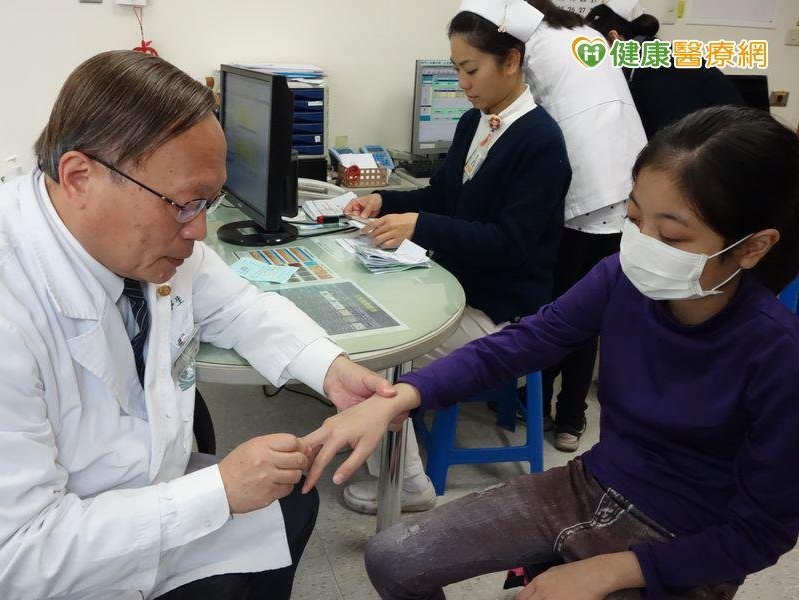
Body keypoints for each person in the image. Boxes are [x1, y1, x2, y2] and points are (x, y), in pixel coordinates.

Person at [302, 106, 799, 599]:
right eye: (633, 219)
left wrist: (616, 569)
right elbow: (524, 342)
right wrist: (401, 396)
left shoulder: (777, 353)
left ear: (752, 247)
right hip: (593, 485)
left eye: (670, 235)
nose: (642, 245)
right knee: (392, 558)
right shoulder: (619, 279)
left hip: (690, 543)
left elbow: (759, 534)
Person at [0, 50, 397, 600]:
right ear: (79, 177)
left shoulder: (137, 240)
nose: (199, 231)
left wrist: (330, 368)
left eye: (209, 202)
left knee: (292, 500)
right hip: (68, 560)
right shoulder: (12, 307)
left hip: (143, 491)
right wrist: (218, 492)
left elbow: (238, 306)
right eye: (185, 204)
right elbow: (19, 556)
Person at [340, 0, 571, 514]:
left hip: (502, 312)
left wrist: (420, 225)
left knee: (372, 360)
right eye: (457, 70)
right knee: (362, 326)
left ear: (511, 61)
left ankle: (408, 485)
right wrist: (384, 200)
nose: (463, 83)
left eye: (471, 69)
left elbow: (510, 243)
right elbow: (442, 195)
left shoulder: (541, 141)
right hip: (454, 287)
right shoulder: (475, 122)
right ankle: (391, 450)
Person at [520, 0, 648, 452]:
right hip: (627, 183)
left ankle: (538, 405)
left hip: (586, 188)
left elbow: (521, 117)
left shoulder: (530, 46)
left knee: (561, 310)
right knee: (591, 309)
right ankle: (570, 417)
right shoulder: (584, 33)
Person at [586, 0, 745, 139]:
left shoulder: (661, 70)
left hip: (732, 150)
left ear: (614, 38)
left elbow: (666, 143)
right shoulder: (649, 59)